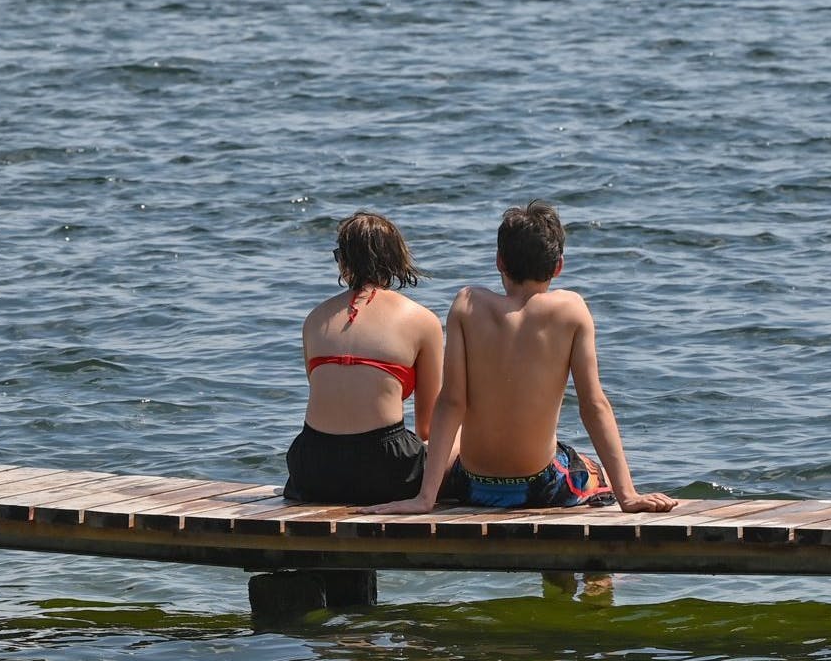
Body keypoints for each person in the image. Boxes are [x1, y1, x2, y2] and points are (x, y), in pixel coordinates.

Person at [363, 200, 677, 514]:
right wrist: (628, 495)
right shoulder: (571, 309)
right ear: (558, 266)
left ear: (500, 261)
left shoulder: (467, 305)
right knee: (597, 474)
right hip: (538, 485)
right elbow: (593, 404)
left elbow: (451, 402)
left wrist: (425, 498)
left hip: (472, 483)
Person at [283, 211, 445, 504]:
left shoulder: (314, 319)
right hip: (385, 469)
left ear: (344, 262)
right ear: (396, 259)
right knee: (453, 447)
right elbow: (428, 427)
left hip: (312, 469)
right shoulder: (422, 320)